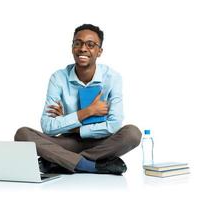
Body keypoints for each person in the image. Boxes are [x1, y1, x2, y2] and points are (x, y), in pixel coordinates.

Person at [14, 24, 142, 175]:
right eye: (78, 43)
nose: (83, 48)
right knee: (22, 134)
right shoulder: (58, 78)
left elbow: (114, 125)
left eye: (91, 44)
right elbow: (47, 126)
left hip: (103, 143)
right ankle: (90, 165)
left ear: (99, 51)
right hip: (68, 143)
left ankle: (61, 162)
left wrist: (70, 125)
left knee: (133, 134)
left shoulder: (112, 78)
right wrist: (87, 112)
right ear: (72, 47)